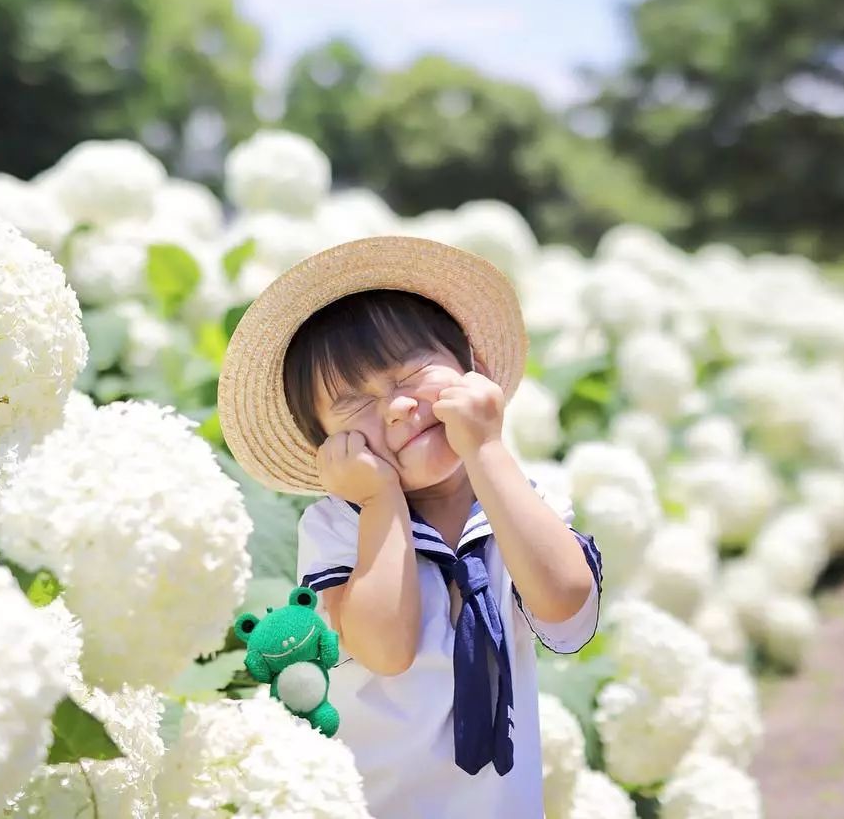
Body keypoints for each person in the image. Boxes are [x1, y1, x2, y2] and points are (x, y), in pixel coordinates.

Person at [217, 236, 602, 819]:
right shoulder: (336, 526)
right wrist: (379, 500)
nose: (396, 408)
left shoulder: (522, 499)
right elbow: (384, 648)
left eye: (411, 373)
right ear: (328, 445)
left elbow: (565, 605)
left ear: (471, 368)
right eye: (354, 404)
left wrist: (488, 449)